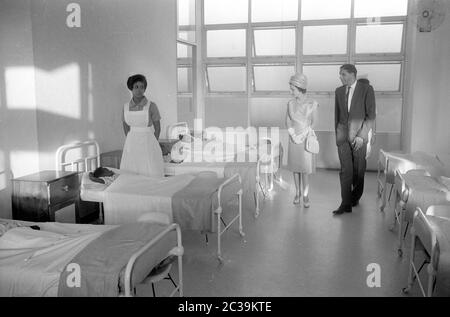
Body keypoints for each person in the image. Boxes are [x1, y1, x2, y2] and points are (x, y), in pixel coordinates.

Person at [332, 64, 376, 215]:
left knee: (359, 170)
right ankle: (345, 203)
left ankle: (355, 197)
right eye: (340, 74)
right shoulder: (338, 91)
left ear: (353, 74)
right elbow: (337, 115)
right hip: (343, 137)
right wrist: (337, 134)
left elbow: (371, 117)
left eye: (343, 74)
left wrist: (362, 137)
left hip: (359, 138)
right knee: (346, 171)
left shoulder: (367, 90)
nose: (340, 77)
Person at [120, 74, 164, 178]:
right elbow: (125, 125)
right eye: (136, 87)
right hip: (131, 142)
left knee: (149, 169)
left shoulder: (151, 106)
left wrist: (153, 143)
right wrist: (130, 139)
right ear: (131, 88)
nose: (139, 90)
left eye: (142, 87)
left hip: (148, 141)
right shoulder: (125, 107)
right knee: (131, 169)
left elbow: (158, 128)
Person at [286, 73, 319, 207]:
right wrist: (293, 134)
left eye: (292, 89)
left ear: (300, 87)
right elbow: (287, 121)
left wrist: (304, 134)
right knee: (295, 168)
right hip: (294, 139)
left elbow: (315, 122)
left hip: (305, 139)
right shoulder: (290, 103)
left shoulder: (312, 104)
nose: (290, 91)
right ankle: (297, 193)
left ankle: (305, 195)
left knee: (305, 169)